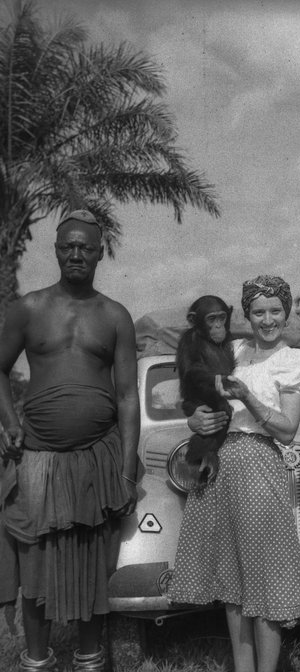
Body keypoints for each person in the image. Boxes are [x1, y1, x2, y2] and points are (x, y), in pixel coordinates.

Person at [0, 210, 139, 672]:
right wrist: (8, 420)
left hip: (97, 456)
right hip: (37, 455)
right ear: (56, 250)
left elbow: (126, 395)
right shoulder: (29, 308)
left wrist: (125, 465)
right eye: (67, 246)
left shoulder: (115, 315)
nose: (76, 253)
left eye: (86, 246)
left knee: (91, 560)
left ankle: (89, 659)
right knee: (36, 558)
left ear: (101, 252)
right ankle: (36, 660)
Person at [168, 275, 300, 672]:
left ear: (286, 314)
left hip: (261, 466)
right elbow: (193, 385)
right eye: (258, 312)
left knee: (266, 578)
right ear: (246, 316)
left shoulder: (293, 360)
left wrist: (247, 396)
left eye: (275, 311)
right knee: (232, 583)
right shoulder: (233, 349)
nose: (267, 320)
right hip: (220, 465)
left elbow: (286, 428)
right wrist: (193, 417)